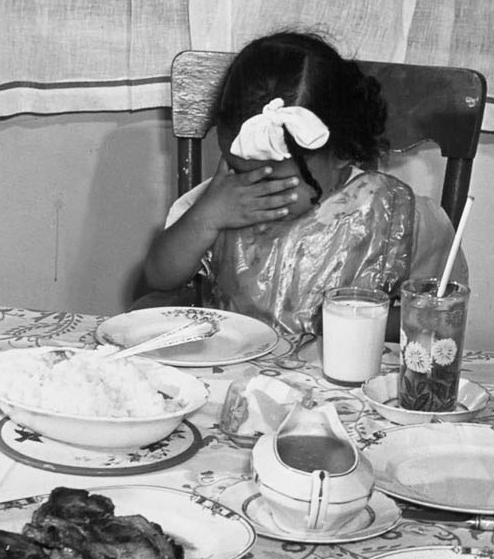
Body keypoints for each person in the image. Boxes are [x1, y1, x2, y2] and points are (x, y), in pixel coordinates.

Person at [141, 31, 461, 346]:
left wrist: (367, 322)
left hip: (341, 389)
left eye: (273, 179)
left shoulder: (395, 214)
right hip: (234, 378)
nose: (252, 189)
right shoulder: (221, 201)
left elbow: (433, 317)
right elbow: (158, 277)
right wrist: (205, 219)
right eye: (239, 170)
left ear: (342, 152)